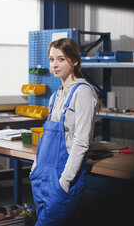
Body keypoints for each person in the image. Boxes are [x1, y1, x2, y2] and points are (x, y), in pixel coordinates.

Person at [29, 38, 98, 225]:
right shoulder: (55, 96)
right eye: (51, 60)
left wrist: (64, 182)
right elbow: (46, 137)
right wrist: (34, 169)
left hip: (61, 178)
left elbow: (81, 142)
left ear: (74, 61)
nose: (54, 65)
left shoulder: (83, 93)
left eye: (61, 59)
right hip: (41, 177)